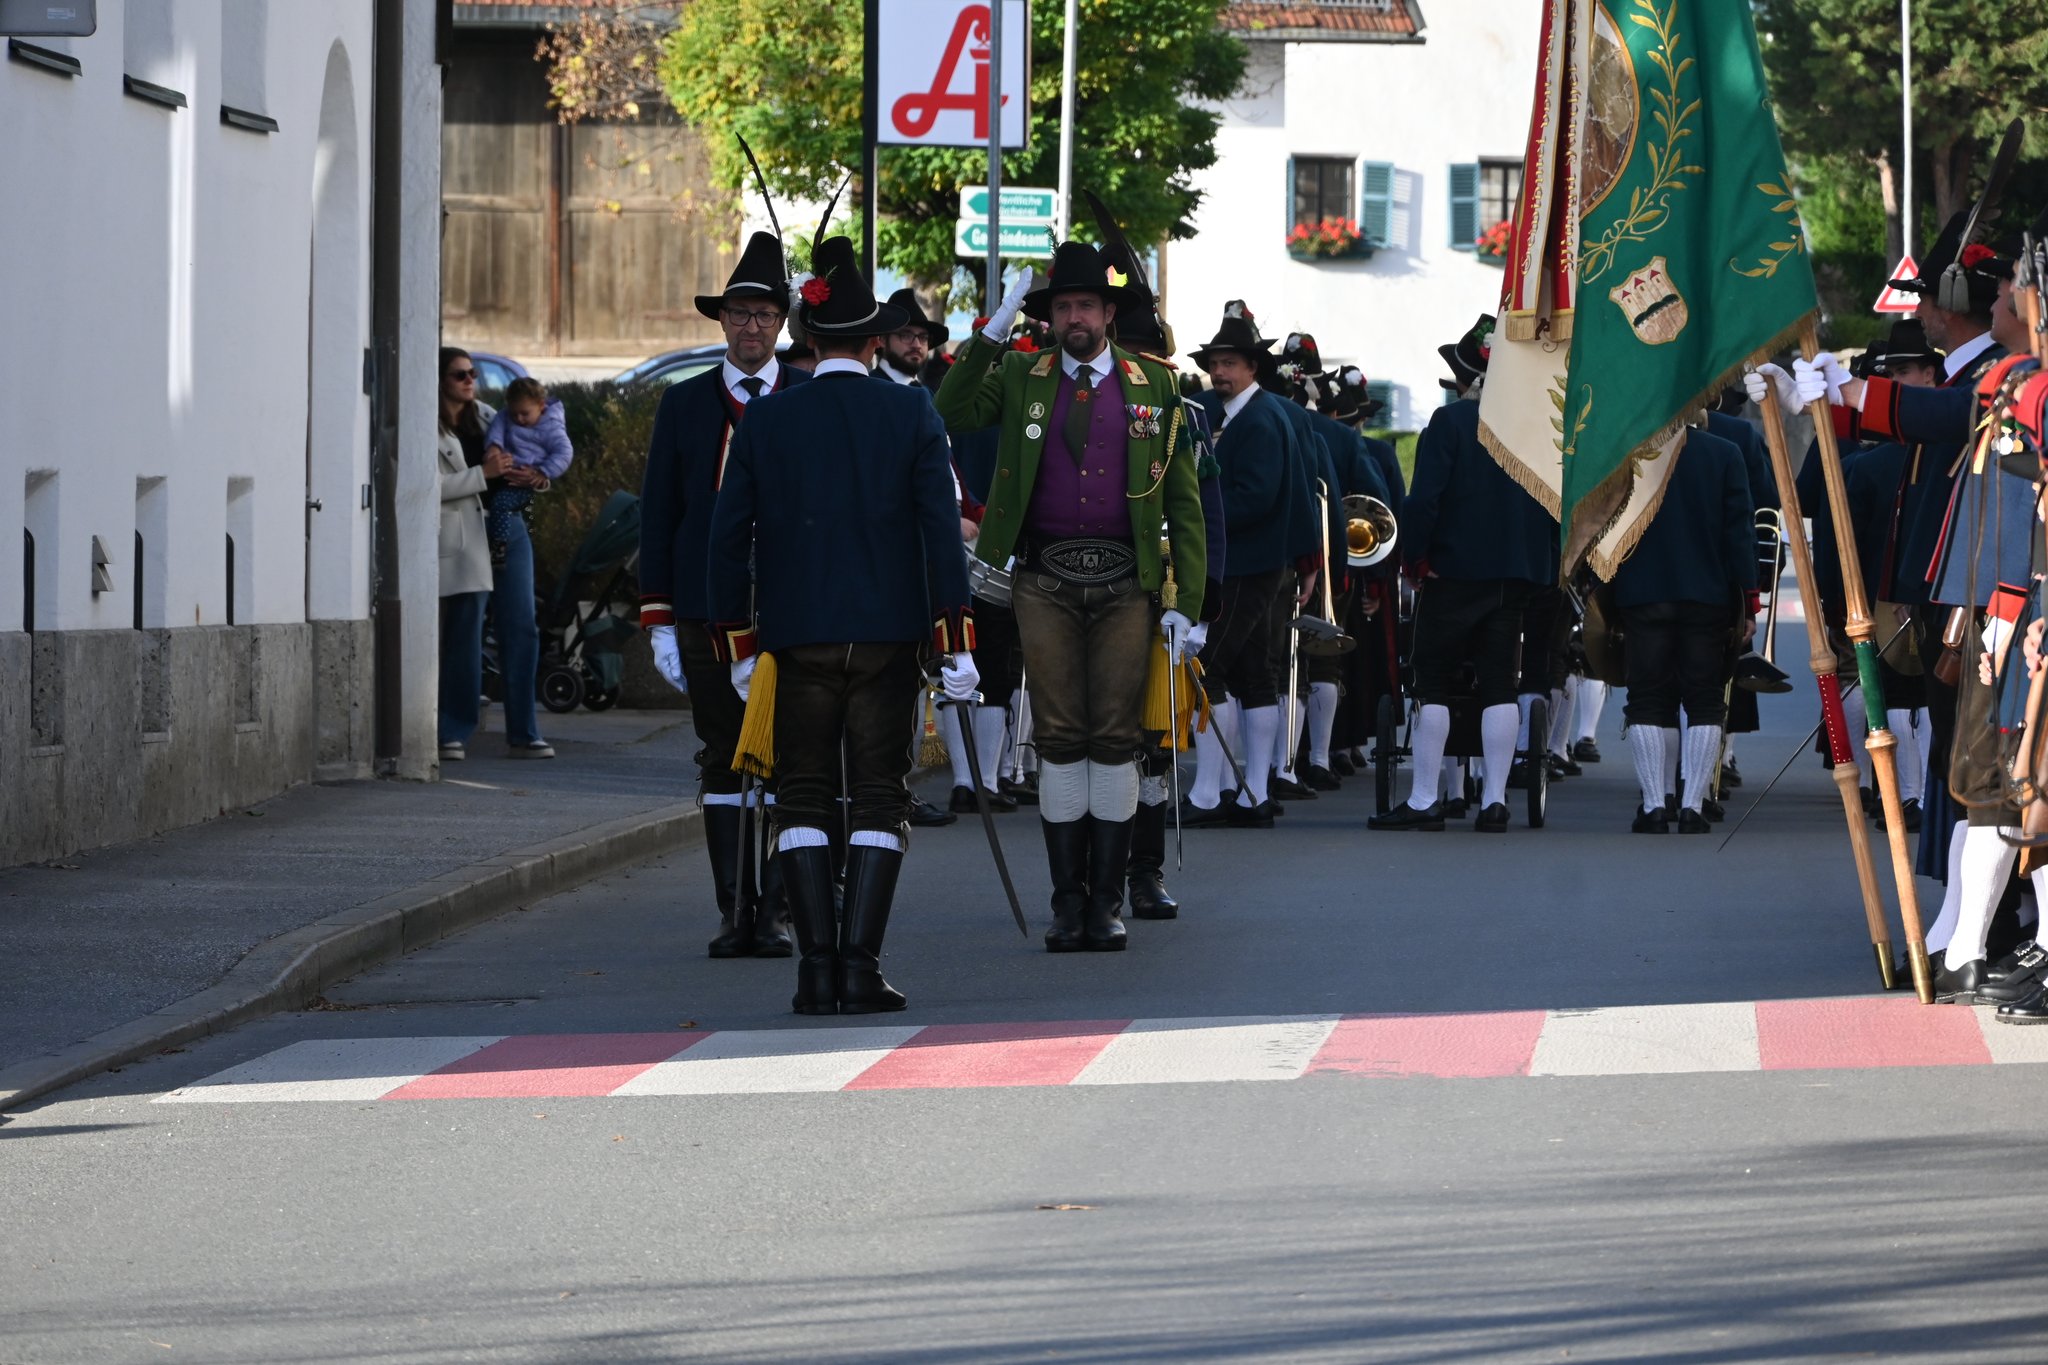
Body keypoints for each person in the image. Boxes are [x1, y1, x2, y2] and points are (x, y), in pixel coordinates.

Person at [708, 234, 975, 1014]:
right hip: (889, 634)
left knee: (802, 796)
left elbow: (727, 540)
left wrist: (737, 643)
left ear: (809, 339)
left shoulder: (767, 419)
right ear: (871, 342)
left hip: (796, 635)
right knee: (880, 796)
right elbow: (941, 532)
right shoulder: (912, 410)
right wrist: (956, 639)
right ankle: (859, 966)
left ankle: (814, 970)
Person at [935, 239, 1208, 952]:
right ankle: (1067, 903)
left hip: (1125, 585)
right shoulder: (1020, 372)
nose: (1074, 318)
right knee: (1059, 738)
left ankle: (1107, 902)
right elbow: (950, 409)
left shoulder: (1155, 385)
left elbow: (1184, 502)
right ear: (1049, 316)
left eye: (1086, 305)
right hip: (1044, 582)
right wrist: (991, 331)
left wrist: (1187, 602)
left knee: (1114, 739)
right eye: (1063, 307)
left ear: (1110, 314)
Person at [639, 229, 808, 959]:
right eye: (739, 314)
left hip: (791, 612)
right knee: (722, 754)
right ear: (722, 322)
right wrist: (658, 617)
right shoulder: (683, 404)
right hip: (705, 612)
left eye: (764, 315)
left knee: (792, 756)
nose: (751, 327)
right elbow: (659, 513)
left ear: (782, 323)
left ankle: (777, 909)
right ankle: (734, 908)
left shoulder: (807, 399)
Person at [1369, 315, 1558, 833]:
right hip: (1514, 574)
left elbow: (1423, 500)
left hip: (1453, 572)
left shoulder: (1450, 423)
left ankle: (1426, 799)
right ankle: (1494, 801)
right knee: (1500, 683)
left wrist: (1415, 560)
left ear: (1469, 378)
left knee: (1433, 681)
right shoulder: (1540, 424)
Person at [1181, 306, 1298, 830]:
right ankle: (1253, 794)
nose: (1218, 373)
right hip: (1255, 563)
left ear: (1253, 367)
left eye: (1229, 364)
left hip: (1244, 564)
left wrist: (1195, 513)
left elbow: (1255, 497)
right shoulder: (1243, 415)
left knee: (1208, 669)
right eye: (1214, 364)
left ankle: (1210, 794)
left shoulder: (1258, 419)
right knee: (1254, 677)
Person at [1609, 424, 1756, 833]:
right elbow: (1739, 534)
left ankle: (1655, 805)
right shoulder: (1724, 453)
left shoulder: (1626, 452)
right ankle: (1693, 805)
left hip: (1642, 591)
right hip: (1707, 593)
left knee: (1646, 699)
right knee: (1704, 699)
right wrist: (1748, 600)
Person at [437, 348, 513, 762]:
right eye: (459, 375)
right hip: (452, 543)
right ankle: (446, 729)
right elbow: (425, 486)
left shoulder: (486, 418)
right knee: (452, 643)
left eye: (473, 374)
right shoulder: (426, 425)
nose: (470, 381)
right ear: (439, 381)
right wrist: (483, 475)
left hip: (491, 537)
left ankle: (459, 729)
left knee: (472, 642)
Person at [480, 377, 574, 567]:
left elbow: (565, 453)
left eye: (525, 414)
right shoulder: (506, 415)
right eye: (514, 413)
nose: (518, 419)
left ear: (541, 406)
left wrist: (543, 472)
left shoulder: (551, 427)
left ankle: (499, 548)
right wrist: (494, 447)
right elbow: (497, 428)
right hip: (503, 472)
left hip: (524, 480)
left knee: (501, 504)